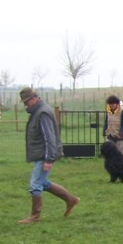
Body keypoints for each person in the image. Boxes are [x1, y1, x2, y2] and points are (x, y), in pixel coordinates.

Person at [18, 87, 80, 224]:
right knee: (43, 183)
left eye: (27, 102)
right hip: (41, 154)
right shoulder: (38, 111)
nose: (26, 105)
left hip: (44, 155)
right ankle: (71, 199)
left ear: (34, 98)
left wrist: (49, 158)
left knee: (35, 185)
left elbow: (49, 137)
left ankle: (35, 216)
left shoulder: (43, 113)